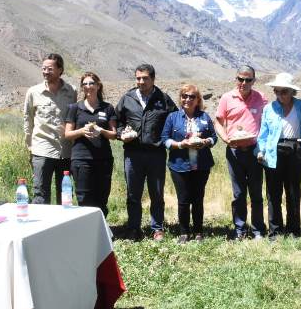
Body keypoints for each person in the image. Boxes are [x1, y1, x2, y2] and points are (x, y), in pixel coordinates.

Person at [116, 64, 177, 241]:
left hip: (156, 154)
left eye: (145, 78)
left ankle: (157, 228)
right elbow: (117, 121)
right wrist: (121, 134)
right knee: (133, 193)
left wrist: (168, 139)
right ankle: (133, 228)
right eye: (138, 78)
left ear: (153, 79)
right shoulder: (127, 98)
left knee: (156, 193)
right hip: (132, 154)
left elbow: (174, 121)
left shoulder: (163, 99)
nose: (141, 82)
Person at [215, 66, 268, 240]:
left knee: (256, 193)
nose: (243, 83)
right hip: (234, 151)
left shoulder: (261, 98)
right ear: (236, 78)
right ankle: (240, 229)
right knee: (238, 193)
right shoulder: (227, 98)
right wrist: (225, 138)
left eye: (248, 80)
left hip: (255, 152)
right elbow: (218, 122)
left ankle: (258, 229)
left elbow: (267, 121)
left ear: (254, 80)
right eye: (240, 79)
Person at [161, 84, 217, 244]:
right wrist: (181, 144)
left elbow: (214, 138)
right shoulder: (173, 117)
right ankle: (184, 232)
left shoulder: (204, 117)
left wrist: (206, 142)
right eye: (184, 96)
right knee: (183, 199)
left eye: (192, 96)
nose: (188, 99)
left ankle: (198, 231)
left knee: (198, 199)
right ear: (180, 98)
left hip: (201, 165)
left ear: (198, 99)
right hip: (179, 165)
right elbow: (165, 139)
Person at [256, 73, 301, 240]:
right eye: (276, 91)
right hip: (273, 151)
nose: (280, 95)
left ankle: (293, 231)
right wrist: (261, 151)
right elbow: (263, 134)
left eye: (284, 91)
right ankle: (275, 231)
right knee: (273, 193)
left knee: (293, 192)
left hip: (295, 149)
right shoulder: (268, 108)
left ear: (292, 91)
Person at [23, 53, 77, 204]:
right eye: (43, 68)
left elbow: (73, 119)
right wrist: (30, 147)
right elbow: (28, 120)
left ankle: (63, 220)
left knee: (65, 195)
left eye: (50, 69)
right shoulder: (33, 92)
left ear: (60, 70)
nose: (45, 72)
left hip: (65, 151)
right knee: (40, 194)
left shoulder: (71, 91)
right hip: (42, 150)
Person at [64, 72, 117, 217]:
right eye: (85, 84)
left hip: (103, 159)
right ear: (82, 87)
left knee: (102, 197)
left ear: (98, 86)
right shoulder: (75, 108)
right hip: (81, 159)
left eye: (91, 83)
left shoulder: (107, 108)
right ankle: (86, 226)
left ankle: (101, 226)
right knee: (84, 197)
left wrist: (101, 130)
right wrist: (82, 131)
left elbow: (114, 134)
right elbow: (67, 134)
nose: (88, 86)